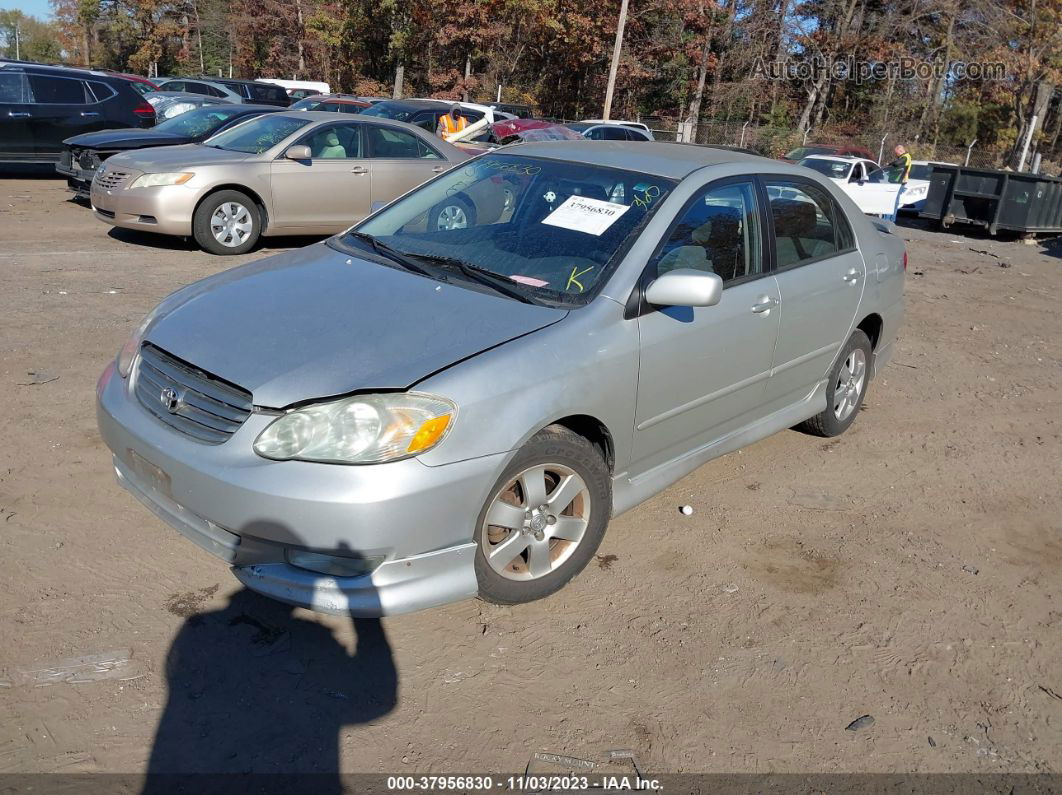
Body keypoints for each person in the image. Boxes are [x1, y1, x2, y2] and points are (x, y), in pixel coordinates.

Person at [885, 144, 913, 221]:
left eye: (896, 153)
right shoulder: (903, 157)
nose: (896, 155)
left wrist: (889, 165)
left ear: (900, 151)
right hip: (899, 181)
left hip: (900, 181)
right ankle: (891, 219)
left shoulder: (905, 157)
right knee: (894, 201)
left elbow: (897, 164)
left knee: (893, 201)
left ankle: (889, 220)